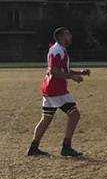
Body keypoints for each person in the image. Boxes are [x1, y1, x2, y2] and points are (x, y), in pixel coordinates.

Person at [28, 27, 90, 158]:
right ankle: (66, 147)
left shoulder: (59, 49)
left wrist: (79, 72)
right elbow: (55, 72)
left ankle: (34, 147)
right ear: (61, 37)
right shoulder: (57, 51)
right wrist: (72, 77)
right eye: (68, 35)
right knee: (75, 115)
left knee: (46, 118)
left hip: (50, 89)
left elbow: (62, 69)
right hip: (57, 90)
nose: (70, 37)